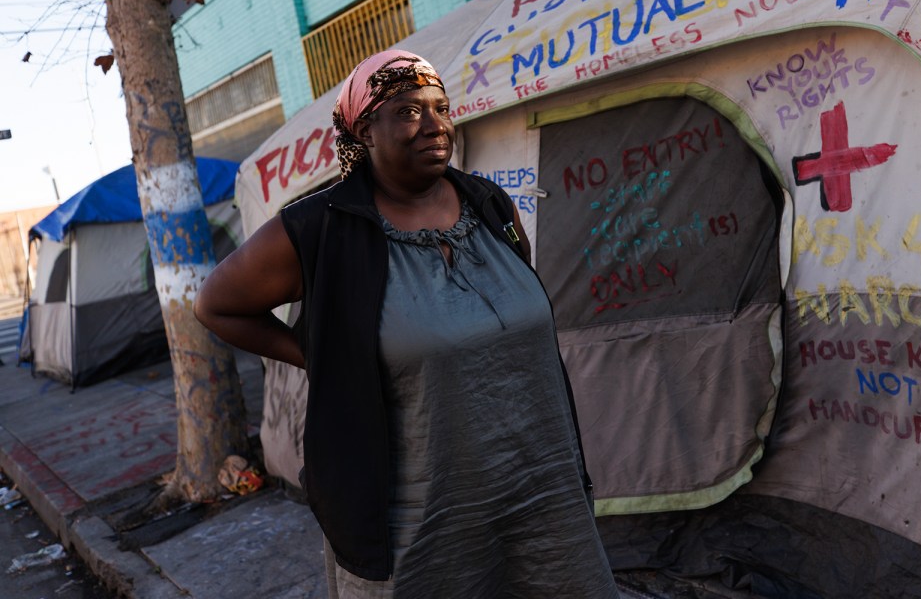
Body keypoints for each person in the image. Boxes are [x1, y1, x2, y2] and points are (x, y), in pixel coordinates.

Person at [194, 50, 619, 598]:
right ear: (366, 129)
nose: (435, 124)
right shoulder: (322, 230)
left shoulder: (490, 206)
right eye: (409, 111)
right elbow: (216, 306)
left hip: (540, 487)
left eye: (440, 108)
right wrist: (318, 352)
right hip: (420, 517)